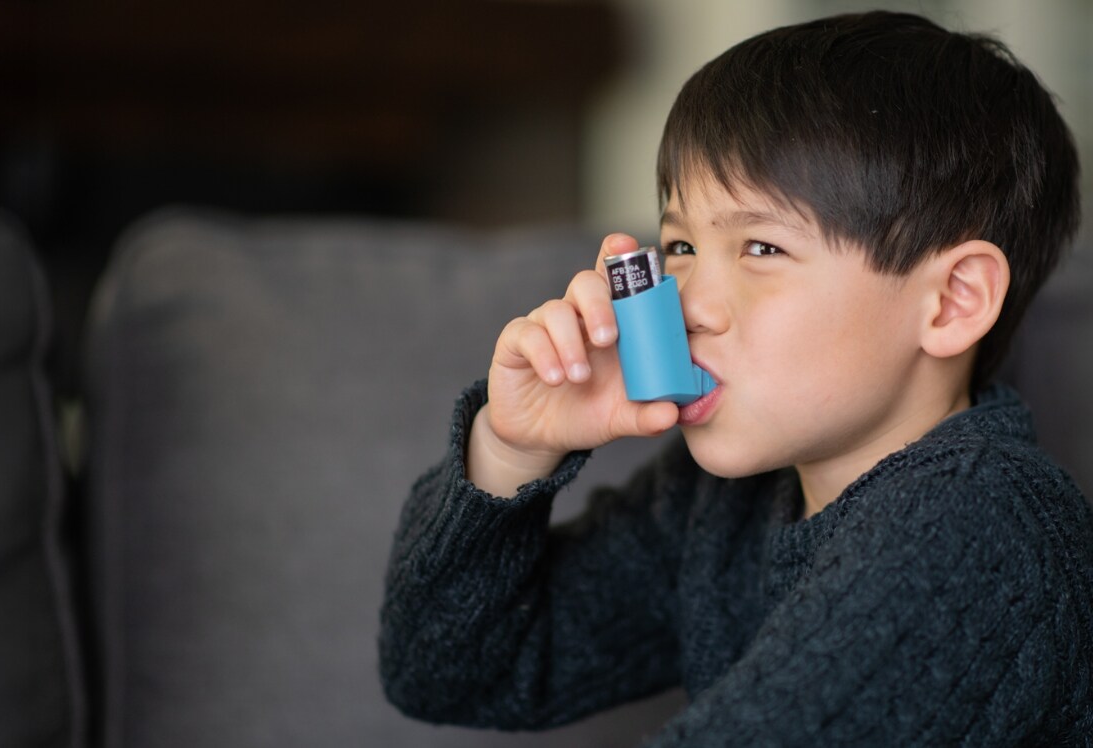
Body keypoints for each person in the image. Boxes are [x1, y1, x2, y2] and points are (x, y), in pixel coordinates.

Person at [378, 11, 1091, 745]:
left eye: (761, 246)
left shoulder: (980, 526)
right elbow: (449, 674)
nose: (684, 304)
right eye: (680, 243)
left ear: (953, 301)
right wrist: (511, 449)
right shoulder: (720, 501)